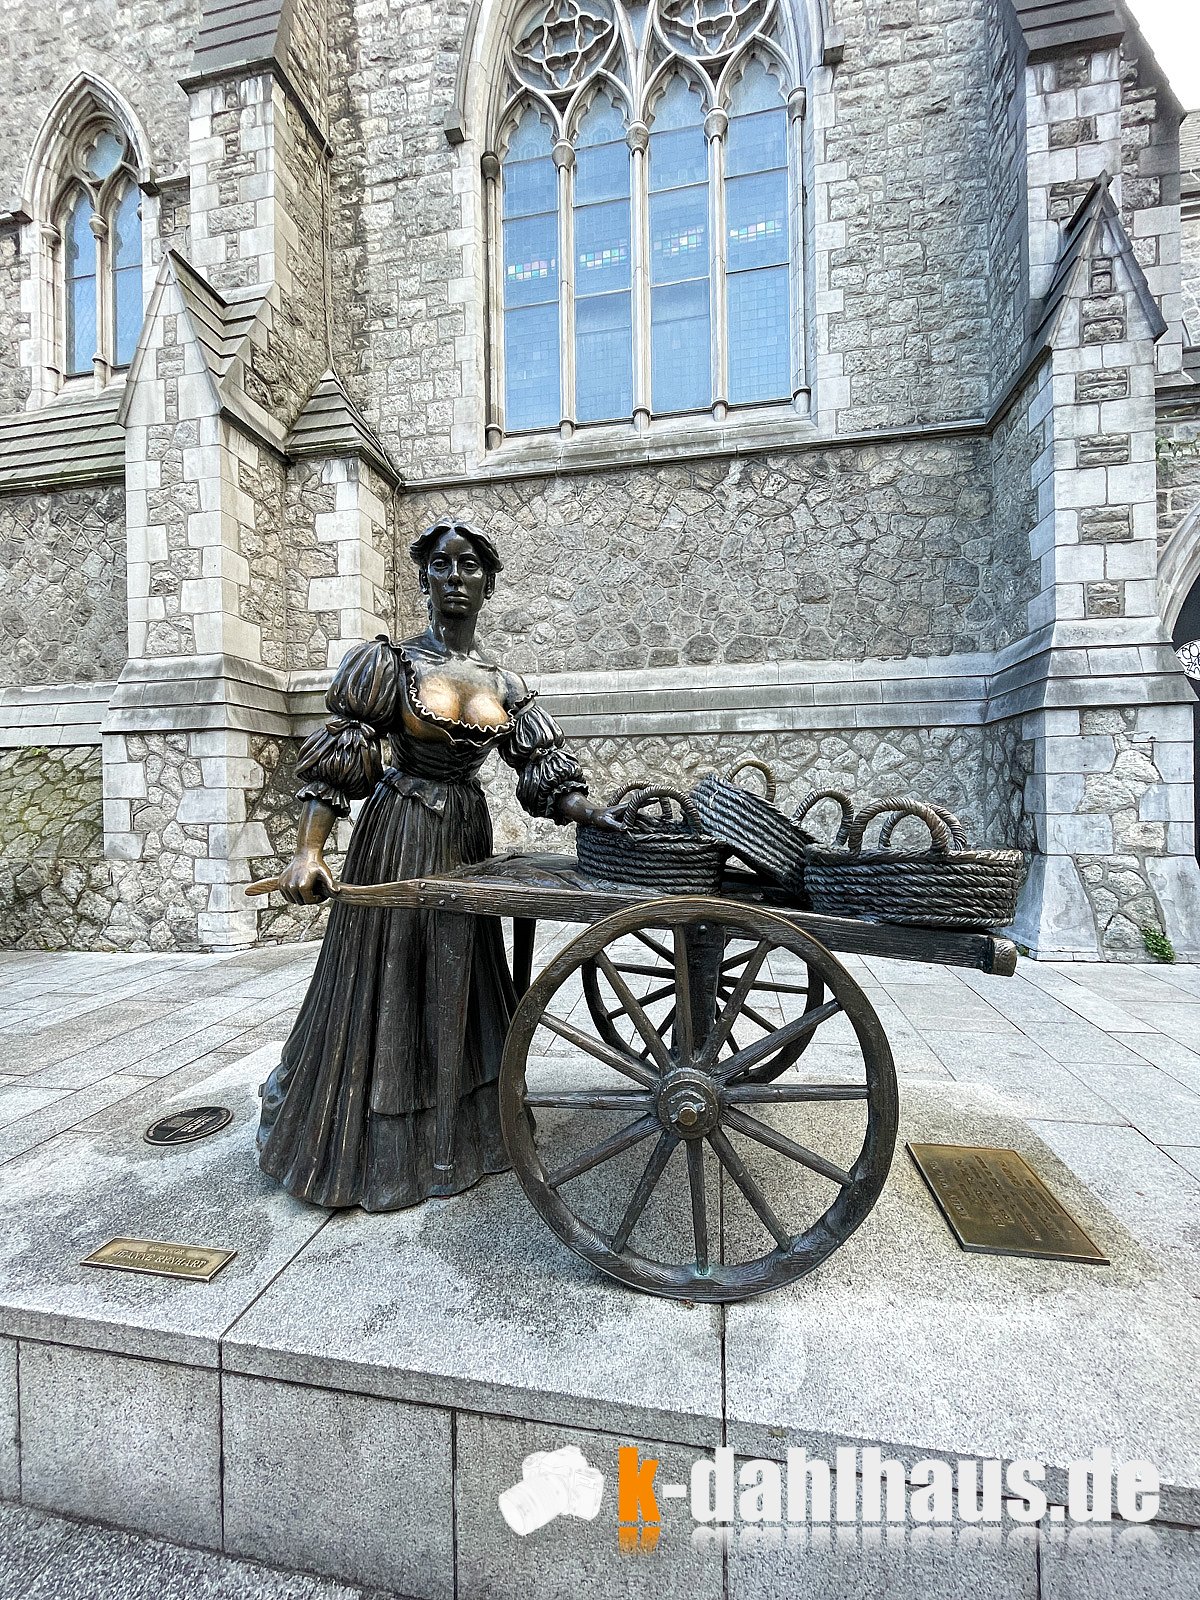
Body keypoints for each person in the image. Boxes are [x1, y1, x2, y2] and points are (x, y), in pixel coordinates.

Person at [256, 519, 618, 1211]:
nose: (456, 577)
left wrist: (590, 811)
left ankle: (461, 1136)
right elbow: (341, 757)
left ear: (488, 584)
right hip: (399, 832)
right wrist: (308, 850)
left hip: (465, 836)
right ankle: (377, 1149)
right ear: (424, 579)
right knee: (393, 974)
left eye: (470, 565)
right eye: (443, 565)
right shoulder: (388, 663)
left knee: (458, 974)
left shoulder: (506, 682)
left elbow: (540, 768)